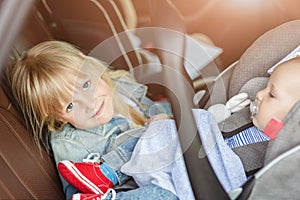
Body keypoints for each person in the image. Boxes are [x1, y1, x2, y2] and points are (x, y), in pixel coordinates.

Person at [49, 54, 300, 199]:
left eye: (272, 95)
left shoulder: (282, 161)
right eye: (265, 88)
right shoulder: (247, 114)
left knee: (166, 195)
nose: (258, 94)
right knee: (179, 125)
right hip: (186, 161)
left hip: (207, 184)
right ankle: (105, 173)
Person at [8, 40, 177, 200]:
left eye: (86, 85)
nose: (90, 104)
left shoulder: (121, 83)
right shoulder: (71, 143)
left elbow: (154, 109)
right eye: (70, 106)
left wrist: (167, 119)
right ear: (57, 117)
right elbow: (78, 189)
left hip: (170, 161)